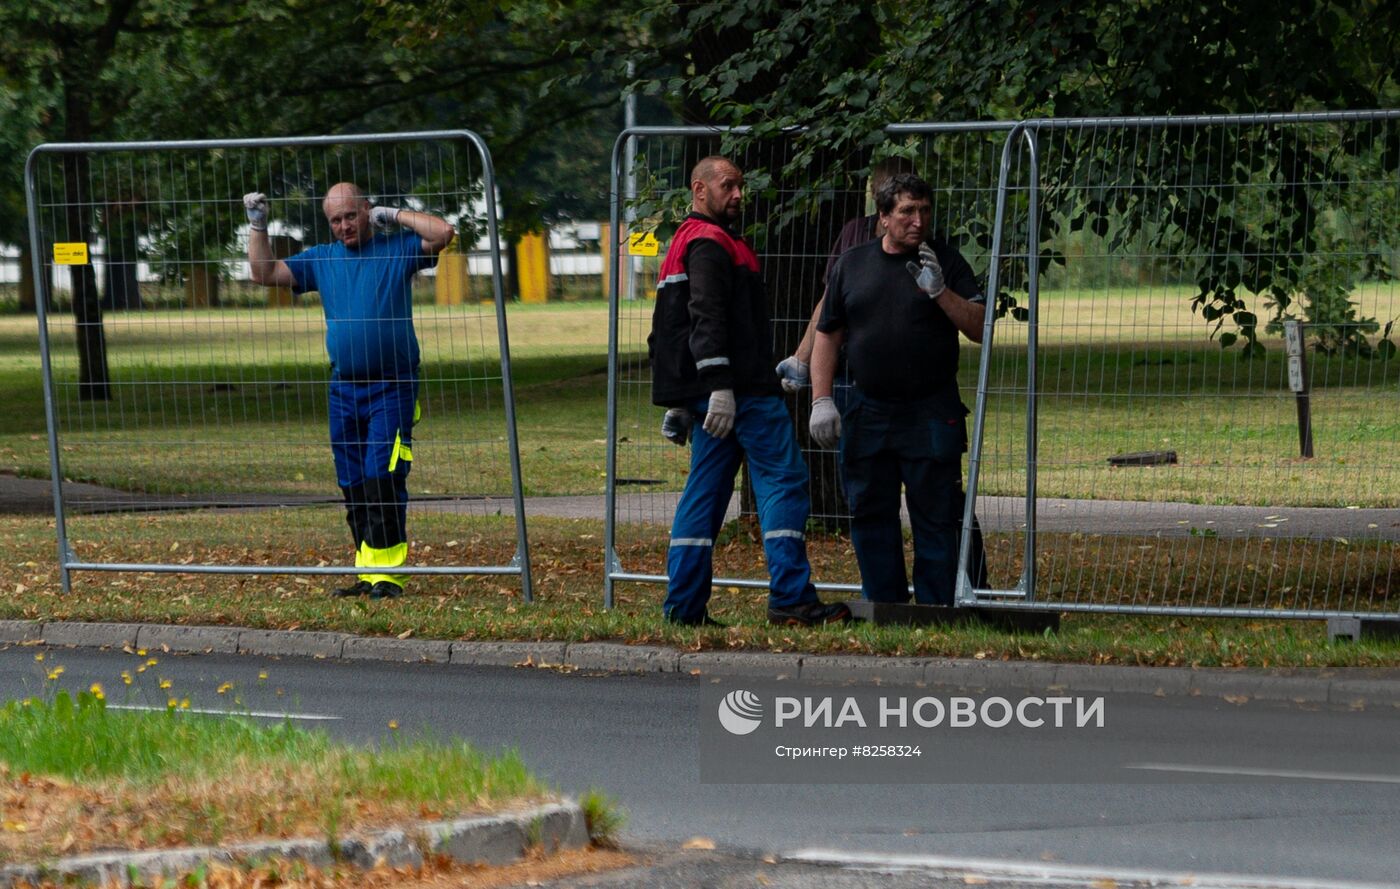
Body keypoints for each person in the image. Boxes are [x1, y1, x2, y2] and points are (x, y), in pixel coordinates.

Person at [649, 156, 851, 627]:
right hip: (742, 392)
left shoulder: (684, 241)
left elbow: (668, 331)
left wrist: (683, 397)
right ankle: (791, 599)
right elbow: (708, 317)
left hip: (715, 393)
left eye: (741, 185)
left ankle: (683, 608)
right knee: (784, 481)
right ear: (700, 189)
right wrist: (720, 385)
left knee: (704, 493)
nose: (739, 194)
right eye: (728, 186)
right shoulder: (711, 244)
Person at [242, 183, 455, 600]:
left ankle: (388, 577)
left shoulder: (398, 249)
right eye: (335, 220)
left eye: (351, 216)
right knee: (353, 482)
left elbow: (443, 233)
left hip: (392, 388)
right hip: (344, 389)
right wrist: (258, 226)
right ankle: (366, 571)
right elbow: (263, 273)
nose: (344, 226)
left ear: (365, 211)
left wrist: (392, 215)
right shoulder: (322, 260)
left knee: (383, 476)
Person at [808, 172, 986, 606]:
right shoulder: (852, 263)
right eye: (907, 210)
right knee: (870, 511)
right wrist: (822, 399)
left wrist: (940, 292)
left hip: (930, 409)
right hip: (868, 409)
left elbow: (981, 327)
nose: (918, 220)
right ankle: (884, 607)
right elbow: (828, 334)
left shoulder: (946, 261)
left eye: (925, 210)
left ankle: (935, 608)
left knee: (936, 515)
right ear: (883, 217)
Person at [773, 156, 916, 394]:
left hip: (900, 369)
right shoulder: (854, 231)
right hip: (848, 366)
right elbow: (831, 298)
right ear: (873, 192)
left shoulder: (922, 244)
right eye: (887, 192)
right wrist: (801, 358)